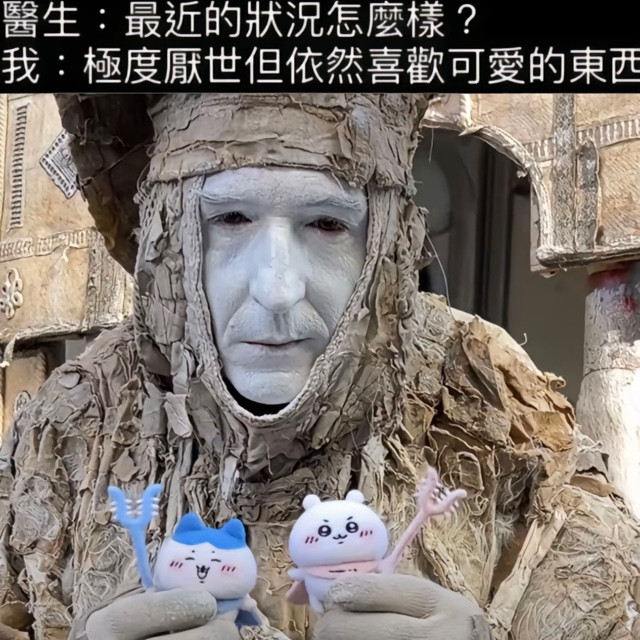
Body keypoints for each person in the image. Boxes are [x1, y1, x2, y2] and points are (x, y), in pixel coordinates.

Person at [0, 93, 637, 640]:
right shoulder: (76, 420)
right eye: (231, 218)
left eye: (328, 224)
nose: (277, 289)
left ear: (386, 242)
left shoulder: (489, 399)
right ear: (170, 239)